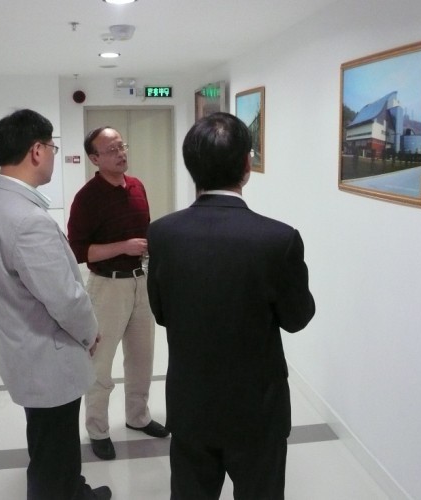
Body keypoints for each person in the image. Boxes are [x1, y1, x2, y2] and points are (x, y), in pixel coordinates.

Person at [146, 112, 316, 499]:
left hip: (190, 403)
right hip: (258, 409)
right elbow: (297, 318)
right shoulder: (278, 239)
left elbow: (161, 312)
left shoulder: (163, 233)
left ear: (191, 166)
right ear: (246, 165)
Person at [0, 109, 111, 500]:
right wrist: (90, 333)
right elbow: (65, 298)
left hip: (27, 351)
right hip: (47, 358)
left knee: (51, 444)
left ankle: (74, 490)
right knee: (53, 451)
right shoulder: (27, 219)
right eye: (52, 147)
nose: (53, 155)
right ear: (37, 151)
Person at [67, 126, 169, 461]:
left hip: (140, 282)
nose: (120, 153)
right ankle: (97, 428)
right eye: (111, 150)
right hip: (107, 287)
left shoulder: (137, 186)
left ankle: (138, 416)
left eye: (121, 146)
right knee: (100, 363)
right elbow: (78, 251)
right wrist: (123, 247)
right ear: (94, 158)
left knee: (142, 358)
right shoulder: (87, 198)